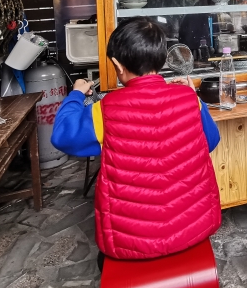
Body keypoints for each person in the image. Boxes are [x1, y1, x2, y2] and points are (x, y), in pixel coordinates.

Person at [51, 17, 222, 269]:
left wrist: (76, 94)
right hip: (194, 229)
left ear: (118, 65)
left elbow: (62, 135)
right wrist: (191, 98)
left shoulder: (104, 111)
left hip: (127, 245)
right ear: (162, 59)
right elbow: (211, 140)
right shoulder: (190, 99)